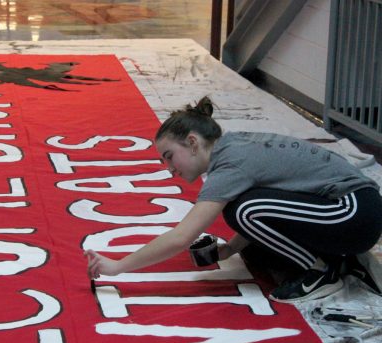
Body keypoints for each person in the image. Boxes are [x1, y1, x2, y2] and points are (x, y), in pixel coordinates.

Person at [85, 96, 382, 303]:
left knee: (245, 210)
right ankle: (336, 258)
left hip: (354, 214)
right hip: (352, 210)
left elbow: (182, 236)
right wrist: (230, 249)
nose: (170, 169)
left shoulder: (230, 164)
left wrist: (118, 266)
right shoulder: (233, 146)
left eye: (169, 157)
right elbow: (279, 202)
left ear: (192, 142)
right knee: (247, 218)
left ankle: (322, 272)